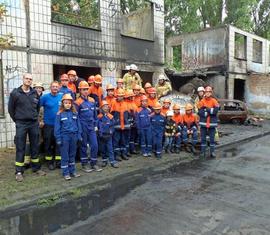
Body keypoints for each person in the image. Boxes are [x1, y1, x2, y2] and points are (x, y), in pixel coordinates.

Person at [8, 73, 46, 182]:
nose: (28, 80)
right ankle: (19, 171)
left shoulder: (35, 93)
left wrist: (34, 118)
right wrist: (18, 120)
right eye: (27, 78)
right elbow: (11, 109)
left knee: (35, 145)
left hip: (33, 123)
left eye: (30, 79)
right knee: (20, 147)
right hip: (21, 124)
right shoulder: (15, 93)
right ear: (23, 79)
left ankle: (36, 168)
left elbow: (38, 108)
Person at [75, 81, 102, 172]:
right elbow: (76, 117)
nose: (86, 91)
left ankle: (94, 163)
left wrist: (96, 125)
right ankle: (84, 164)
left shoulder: (92, 100)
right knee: (83, 146)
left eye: (87, 89)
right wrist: (79, 129)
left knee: (95, 145)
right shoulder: (77, 102)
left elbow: (95, 115)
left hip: (91, 126)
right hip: (83, 126)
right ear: (80, 90)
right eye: (84, 89)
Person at [54, 94, 82, 180]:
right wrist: (58, 138)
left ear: (71, 104)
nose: (68, 104)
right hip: (64, 137)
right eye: (66, 103)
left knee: (72, 154)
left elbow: (79, 125)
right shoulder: (59, 114)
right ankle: (66, 173)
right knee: (65, 155)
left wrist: (79, 135)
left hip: (73, 136)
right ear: (63, 103)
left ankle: (72, 171)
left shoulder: (75, 113)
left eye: (69, 103)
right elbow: (57, 127)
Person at [40, 81, 62, 170]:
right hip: (48, 125)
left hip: (59, 125)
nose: (55, 88)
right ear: (50, 87)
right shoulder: (44, 97)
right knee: (48, 144)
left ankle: (58, 162)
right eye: (53, 86)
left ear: (59, 88)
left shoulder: (61, 97)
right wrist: (40, 120)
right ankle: (49, 162)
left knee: (58, 144)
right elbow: (38, 108)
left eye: (56, 86)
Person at [24, 82, 45, 168]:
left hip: (41, 124)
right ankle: (26, 161)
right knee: (29, 142)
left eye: (40, 88)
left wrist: (42, 121)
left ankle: (35, 160)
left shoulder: (43, 98)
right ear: (34, 89)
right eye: (37, 88)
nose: (38, 89)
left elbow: (45, 110)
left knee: (38, 142)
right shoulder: (30, 97)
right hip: (31, 123)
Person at [198, 86, 219, 158]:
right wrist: (210, 110)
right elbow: (200, 112)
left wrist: (206, 109)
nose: (208, 93)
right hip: (203, 123)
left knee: (212, 139)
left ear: (211, 93)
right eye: (206, 92)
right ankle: (203, 152)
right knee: (203, 138)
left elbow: (216, 111)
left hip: (212, 123)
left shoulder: (214, 101)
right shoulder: (202, 101)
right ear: (205, 93)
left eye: (209, 92)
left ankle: (212, 152)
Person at [111, 88, 131, 161]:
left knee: (124, 141)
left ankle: (124, 154)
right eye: (119, 96)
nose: (120, 97)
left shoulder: (126, 104)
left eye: (122, 96)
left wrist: (128, 124)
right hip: (117, 127)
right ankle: (117, 155)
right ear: (117, 96)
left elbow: (129, 115)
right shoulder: (114, 103)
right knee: (116, 141)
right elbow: (111, 115)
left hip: (125, 127)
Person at [97, 100, 118, 168]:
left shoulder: (111, 116)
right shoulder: (99, 117)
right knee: (103, 149)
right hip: (102, 136)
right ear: (101, 108)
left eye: (107, 106)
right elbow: (98, 126)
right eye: (104, 107)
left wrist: (111, 131)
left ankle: (112, 161)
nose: (106, 108)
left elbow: (113, 125)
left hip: (109, 136)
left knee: (110, 149)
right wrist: (100, 134)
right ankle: (104, 161)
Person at [124, 90, 138, 155]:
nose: (131, 97)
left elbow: (136, 113)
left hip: (134, 123)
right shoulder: (125, 104)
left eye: (132, 96)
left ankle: (132, 149)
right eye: (130, 96)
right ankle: (127, 151)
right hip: (128, 123)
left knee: (132, 137)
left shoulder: (134, 103)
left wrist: (135, 121)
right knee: (127, 137)